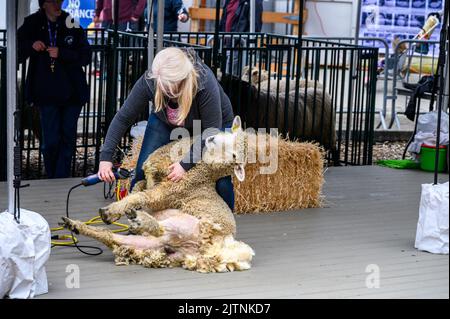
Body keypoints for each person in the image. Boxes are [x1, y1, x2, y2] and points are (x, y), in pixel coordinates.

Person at [97, 47, 236, 211]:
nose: (162, 88)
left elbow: (210, 131)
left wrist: (185, 164)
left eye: (168, 85)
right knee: (143, 169)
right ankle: (136, 219)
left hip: (212, 125)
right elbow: (123, 117)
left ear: (182, 80)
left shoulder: (204, 84)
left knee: (221, 179)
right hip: (166, 121)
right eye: (160, 84)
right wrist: (106, 157)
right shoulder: (151, 80)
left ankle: (225, 223)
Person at [17, 0, 91, 179]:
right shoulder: (32, 23)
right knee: (50, 141)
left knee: (67, 138)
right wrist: (31, 45)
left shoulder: (70, 22)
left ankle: (61, 177)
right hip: (45, 93)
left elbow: (85, 55)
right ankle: (52, 175)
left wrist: (62, 53)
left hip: (72, 92)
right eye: (53, 1)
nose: (58, 4)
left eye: (60, 0)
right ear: (44, 4)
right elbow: (17, 49)